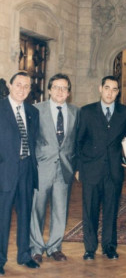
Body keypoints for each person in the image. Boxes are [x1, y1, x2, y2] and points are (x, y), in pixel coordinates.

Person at [76, 75, 126, 261]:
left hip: (114, 171)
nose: (110, 92)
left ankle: (109, 247)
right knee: (89, 210)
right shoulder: (86, 111)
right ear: (100, 89)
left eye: (114, 89)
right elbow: (79, 141)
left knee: (111, 210)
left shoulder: (125, 113)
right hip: (91, 170)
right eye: (107, 88)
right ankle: (89, 248)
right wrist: (78, 168)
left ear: (118, 92)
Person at [30, 74, 80, 264]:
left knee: (61, 210)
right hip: (41, 168)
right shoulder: (36, 110)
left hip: (64, 169)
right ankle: (36, 248)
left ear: (69, 92)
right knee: (37, 210)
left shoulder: (76, 112)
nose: (60, 91)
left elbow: (76, 142)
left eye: (64, 88)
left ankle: (54, 247)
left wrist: (75, 167)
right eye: (56, 87)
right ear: (49, 89)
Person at [0, 72, 40, 276]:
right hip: (4, 172)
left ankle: (25, 255)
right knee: (2, 217)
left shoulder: (33, 112)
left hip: (26, 170)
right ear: (10, 85)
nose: (22, 89)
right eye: (19, 85)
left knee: (25, 216)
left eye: (26, 86)